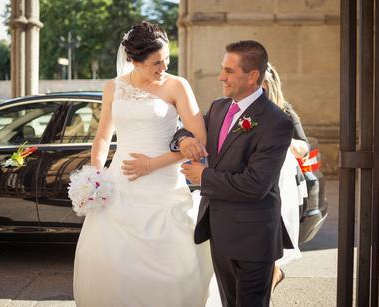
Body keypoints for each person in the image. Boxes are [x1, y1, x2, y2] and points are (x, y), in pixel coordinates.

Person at [73, 21, 213, 307]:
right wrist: (96, 174)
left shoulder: (177, 85)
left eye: (166, 60)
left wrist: (152, 164)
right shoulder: (112, 88)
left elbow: (199, 139)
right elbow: (102, 136)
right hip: (119, 185)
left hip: (163, 184)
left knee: (171, 262)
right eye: (155, 63)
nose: (163, 67)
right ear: (133, 60)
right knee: (113, 260)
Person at [172, 40, 294, 307]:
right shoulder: (218, 108)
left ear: (252, 76)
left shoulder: (277, 122)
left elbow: (256, 184)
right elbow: (186, 129)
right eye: (221, 69)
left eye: (228, 71)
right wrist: (183, 140)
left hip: (253, 238)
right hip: (219, 230)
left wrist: (203, 176)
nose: (220, 77)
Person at [262, 63, 310, 293]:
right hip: (251, 178)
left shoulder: (284, 110)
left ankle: (270, 285)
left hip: (282, 181)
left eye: (262, 84)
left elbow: (304, 146)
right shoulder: (237, 108)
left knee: (273, 236)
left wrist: (286, 142)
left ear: (271, 84)